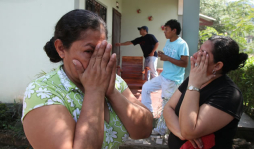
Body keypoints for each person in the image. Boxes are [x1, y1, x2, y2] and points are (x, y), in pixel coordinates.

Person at [21, 10, 153, 149]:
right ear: (61, 48)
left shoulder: (114, 82)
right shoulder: (43, 92)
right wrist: (95, 91)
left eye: (102, 50)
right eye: (89, 52)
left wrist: (112, 93)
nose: (100, 59)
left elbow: (144, 130)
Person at [164, 36, 248, 149]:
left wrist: (194, 86)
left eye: (203, 53)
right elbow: (168, 108)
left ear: (217, 65)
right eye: (199, 49)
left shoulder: (229, 94)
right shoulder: (194, 78)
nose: (194, 55)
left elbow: (190, 130)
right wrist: (181, 133)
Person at [141, 19, 189, 136]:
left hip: (172, 80)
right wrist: (163, 56)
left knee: (166, 105)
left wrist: (167, 58)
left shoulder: (182, 44)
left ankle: (161, 130)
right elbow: (169, 57)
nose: (164, 32)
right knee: (146, 87)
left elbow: (184, 63)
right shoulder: (168, 42)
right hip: (164, 76)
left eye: (166, 29)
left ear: (174, 30)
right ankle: (149, 115)